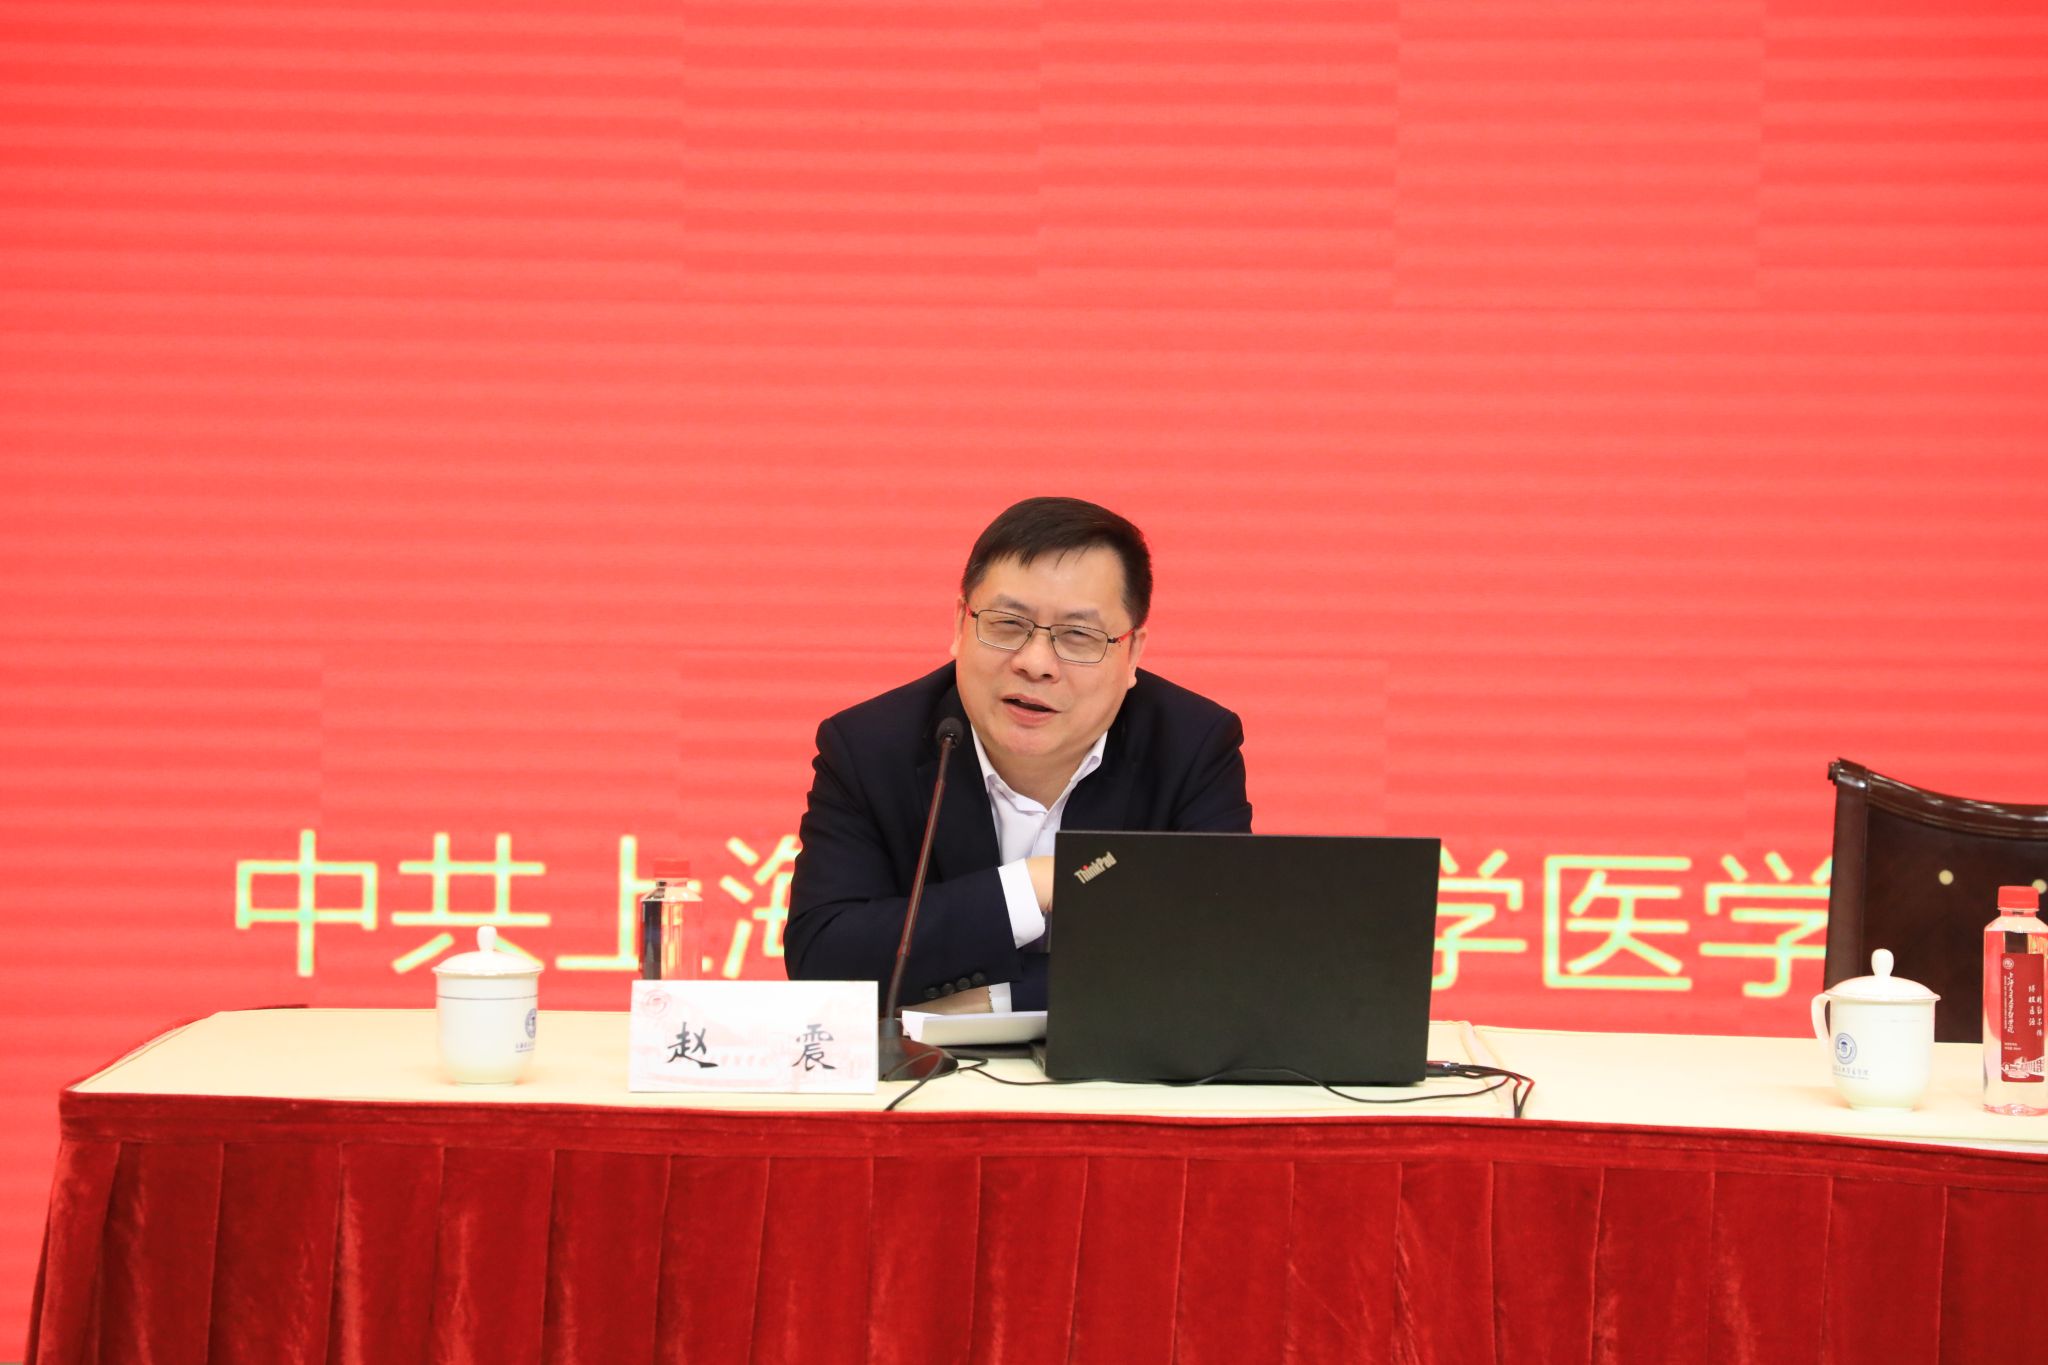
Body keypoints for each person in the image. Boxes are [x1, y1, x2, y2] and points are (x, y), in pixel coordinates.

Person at [785, 496, 1253, 1012]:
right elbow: (822, 960)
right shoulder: (869, 747)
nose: (1035, 663)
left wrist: (996, 998)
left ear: (1132, 653)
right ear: (960, 625)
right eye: (1007, 624)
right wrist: (1029, 887)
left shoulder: (1191, 747)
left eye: (1078, 636)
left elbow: (1223, 960)